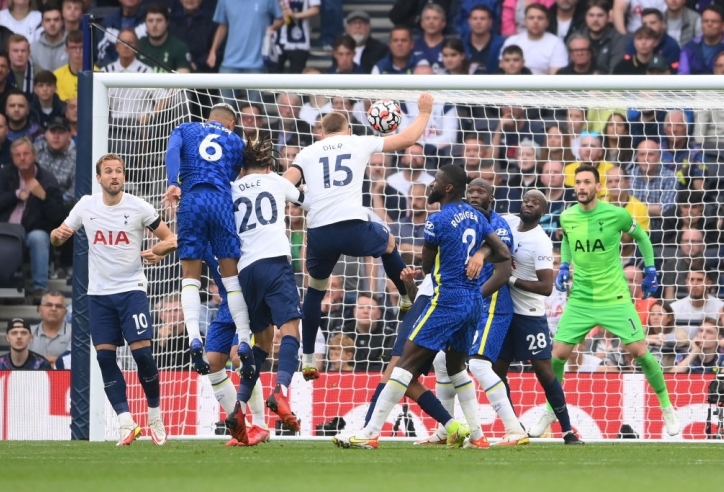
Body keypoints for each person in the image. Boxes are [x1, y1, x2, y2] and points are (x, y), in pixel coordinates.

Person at [332, 165, 510, 449]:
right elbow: (503, 251)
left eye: (436, 180)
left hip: (446, 300)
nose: (431, 184)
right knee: (456, 369)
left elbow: (428, 265)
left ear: (448, 187)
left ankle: (369, 434)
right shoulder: (476, 216)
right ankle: (477, 437)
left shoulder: (437, 220)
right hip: (473, 302)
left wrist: (434, 264)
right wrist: (479, 253)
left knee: (403, 366)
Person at [282, 93, 436, 381]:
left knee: (315, 291)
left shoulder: (307, 152)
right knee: (388, 243)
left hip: (319, 232)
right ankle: (404, 297)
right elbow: (405, 139)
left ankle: (308, 358)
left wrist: (303, 200)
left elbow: (285, 182)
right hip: (352, 226)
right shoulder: (358, 141)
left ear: (322, 132)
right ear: (347, 129)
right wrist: (425, 113)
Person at [538, 164, 681, 437]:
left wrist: (650, 269)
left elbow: (642, 236)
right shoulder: (567, 217)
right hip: (580, 299)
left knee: (639, 351)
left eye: (587, 182)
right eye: (578, 182)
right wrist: (565, 264)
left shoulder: (617, 214)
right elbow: (567, 240)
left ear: (598, 187)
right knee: (558, 355)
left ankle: (667, 408)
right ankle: (549, 410)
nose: (581, 187)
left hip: (615, 297)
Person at [49, 153, 176, 446]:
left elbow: (172, 239)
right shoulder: (86, 206)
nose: (115, 175)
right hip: (99, 294)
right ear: (99, 178)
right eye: (108, 171)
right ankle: (125, 422)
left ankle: (154, 415)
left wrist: (159, 251)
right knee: (105, 357)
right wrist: (58, 235)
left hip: (132, 291)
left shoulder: (138, 206)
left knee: (142, 355)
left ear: (124, 177)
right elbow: (57, 237)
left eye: (119, 171)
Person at [423, 178, 530, 447]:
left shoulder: (498, 225)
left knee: (479, 365)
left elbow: (503, 272)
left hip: (491, 306)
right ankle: (445, 429)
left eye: (481, 192)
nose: (474, 195)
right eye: (471, 190)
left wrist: (471, 297)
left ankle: (514, 429)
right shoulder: (461, 220)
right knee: (442, 362)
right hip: (464, 305)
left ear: (491, 198)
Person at [223, 137, 308, 446]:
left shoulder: (231, 188)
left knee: (262, 341)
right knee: (290, 330)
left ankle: (239, 410)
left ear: (242, 166)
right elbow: (305, 202)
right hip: (274, 261)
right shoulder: (274, 180)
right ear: (269, 165)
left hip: (246, 271)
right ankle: (281, 392)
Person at [163, 103, 253, 381]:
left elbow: (171, 152)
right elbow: (236, 173)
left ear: (207, 118)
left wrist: (172, 182)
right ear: (231, 124)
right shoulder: (235, 140)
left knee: (190, 277)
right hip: (220, 202)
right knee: (232, 279)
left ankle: (193, 338)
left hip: (191, 200)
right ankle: (245, 340)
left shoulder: (185, 128)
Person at [494, 190, 583, 444]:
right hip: (504, 312)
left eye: (536, 203)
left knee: (544, 371)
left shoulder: (541, 241)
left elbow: (546, 287)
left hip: (529, 314)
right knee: (496, 371)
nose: (529, 204)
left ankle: (567, 430)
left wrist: (508, 279)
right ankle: (515, 427)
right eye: (526, 201)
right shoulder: (509, 222)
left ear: (543, 212)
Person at [29, 291, 71, 367]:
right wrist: (58, 360)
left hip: (66, 378)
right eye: (49, 305)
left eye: (58, 306)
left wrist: (39, 361)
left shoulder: (75, 333)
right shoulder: (28, 333)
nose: (53, 309)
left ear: (65, 312)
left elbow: (72, 362)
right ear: (39, 309)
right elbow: (25, 362)